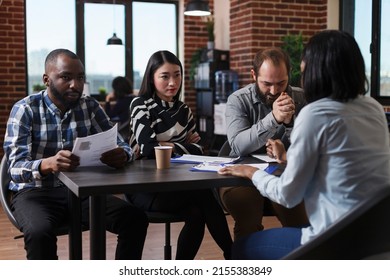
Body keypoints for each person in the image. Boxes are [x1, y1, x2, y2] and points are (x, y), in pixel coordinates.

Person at [218, 30, 390, 259]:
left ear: (315, 68)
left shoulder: (313, 112)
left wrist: (251, 172)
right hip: (378, 239)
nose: (275, 89)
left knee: (242, 248)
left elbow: (289, 194)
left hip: (333, 242)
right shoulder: (374, 108)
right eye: (267, 83)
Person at [3, 49, 148, 260]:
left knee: (135, 219)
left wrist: (123, 155)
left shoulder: (89, 106)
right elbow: (14, 168)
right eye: (66, 77)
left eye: (80, 78)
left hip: (83, 193)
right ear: (46, 79)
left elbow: (123, 146)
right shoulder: (25, 109)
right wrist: (47, 164)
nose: (75, 85)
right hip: (36, 192)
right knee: (39, 233)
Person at [126, 50, 233, 259]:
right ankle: (233, 254)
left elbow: (197, 150)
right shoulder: (140, 104)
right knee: (204, 196)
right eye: (165, 76)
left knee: (197, 213)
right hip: (144, 187)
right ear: (152, 78)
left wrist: (167, 145)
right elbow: (148, 151)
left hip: (176, 184)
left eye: (177, 74)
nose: (172, 82)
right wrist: (180, 144)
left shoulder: (184, 109)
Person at [219, 47, 309, 240]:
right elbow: (238, 146)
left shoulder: (302, 98)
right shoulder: (238, 100)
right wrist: (274, 119)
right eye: (267, 84)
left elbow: (308, 148)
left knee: (300, 222)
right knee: (248, 217)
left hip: (284, 175)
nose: (275, 91)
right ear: (254, 75)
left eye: (281, 83)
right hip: (240, 177)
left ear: (289, 75)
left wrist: (289, 126)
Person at [104, 76, 134, 141]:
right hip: (131, 134)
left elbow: (108, 116)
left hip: (122, 136)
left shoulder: (122, 102)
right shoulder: (133, 99)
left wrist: (107, 100)